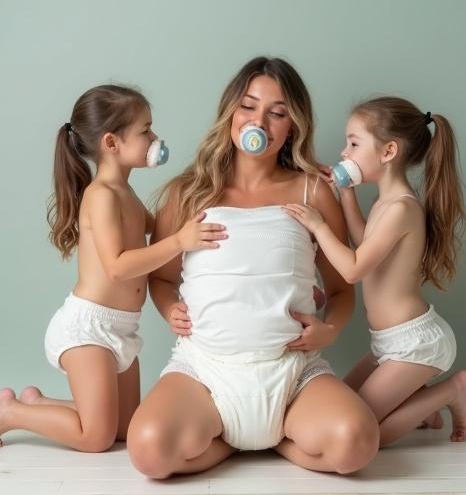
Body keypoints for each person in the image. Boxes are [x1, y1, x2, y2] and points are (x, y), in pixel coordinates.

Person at [127, 57, 379, 478]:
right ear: (230, 113)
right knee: (148, 453)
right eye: (248, 106)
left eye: (277, 112)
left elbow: (340, 289)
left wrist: (330, 328)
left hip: (292, 373)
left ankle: (276, 436)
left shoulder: (311, 190)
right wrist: (169, 307)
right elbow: (163, 278)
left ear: (291, 126)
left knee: (358, 443)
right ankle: (230, 440)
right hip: (205, 371)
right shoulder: (187, 193)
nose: (259, 120)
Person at [0, 85, 226, 451]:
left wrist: (198, 195)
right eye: (146, 130)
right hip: (89, 328)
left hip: (122, 328)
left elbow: (161, 226)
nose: (155, 138)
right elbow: (118, 267)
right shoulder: (101, 195)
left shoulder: (127, 193)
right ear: (111, 142)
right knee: (97, 437)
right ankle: (12, 413)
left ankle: (39, 404)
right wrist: (179, 242)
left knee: (125, 429)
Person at [283, 96, 466, 447]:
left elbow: (354, 269)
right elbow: (363, 243)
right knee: (340, 407)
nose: (344, 152)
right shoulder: (385, 202)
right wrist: (346, 196)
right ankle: (421, 406)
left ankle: (452, 390)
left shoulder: (402, 208)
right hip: (388, 343)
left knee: (367, 435)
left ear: (388, 152)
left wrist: (319, 225)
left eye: (354, 143)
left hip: (416, 344)